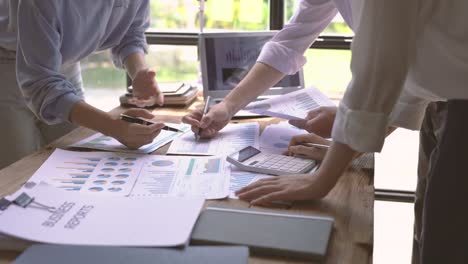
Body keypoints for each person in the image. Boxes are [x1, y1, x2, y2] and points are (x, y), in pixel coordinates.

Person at [184, 0, 468, 262]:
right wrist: (226, 108)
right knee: (430, 233)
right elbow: (290, 42)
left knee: (448, 243)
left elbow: (378, 67)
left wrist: (320, 181)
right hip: (441, 99)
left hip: (460, 104)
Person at [0, 0, 165, 169]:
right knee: (17, 169)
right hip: (7, 64)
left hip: (65, 61)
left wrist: (139, 72)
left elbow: (130, 31)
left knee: (73, 160)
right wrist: (111, 125)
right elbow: (40, 82)